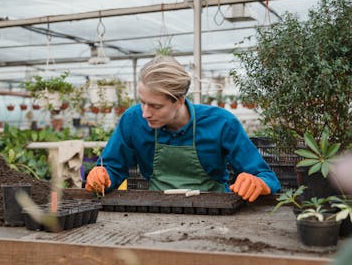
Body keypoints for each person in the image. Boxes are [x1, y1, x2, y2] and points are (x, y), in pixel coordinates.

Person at [85, 55, 281, 202]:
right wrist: (102, 175)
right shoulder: (132, 120)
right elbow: (112, 166)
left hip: (214, 211)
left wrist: (257, 183)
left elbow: (266, 176)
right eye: (142, 102)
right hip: (155, 211)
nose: (145, 113)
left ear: (179, 101)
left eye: (156, 106)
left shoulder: (221, 123)